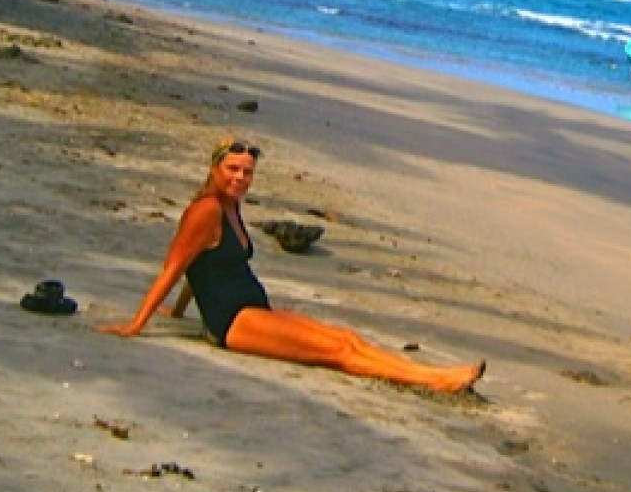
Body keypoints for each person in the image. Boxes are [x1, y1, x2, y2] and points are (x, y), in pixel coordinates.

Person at [99, 136, 485, 393]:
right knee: (338, 354)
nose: (240, 178)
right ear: (215, 169)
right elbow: (175, 265)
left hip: (252, 311)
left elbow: (200, 264)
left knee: (346, 338)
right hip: (233, 323)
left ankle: (432, 373)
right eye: (232, 169)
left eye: (247, 172)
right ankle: (435, 381)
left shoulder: (230, 207)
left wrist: (182, 311)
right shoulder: (205, 211)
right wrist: (136, 325)